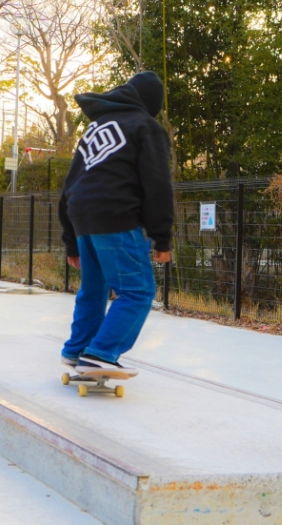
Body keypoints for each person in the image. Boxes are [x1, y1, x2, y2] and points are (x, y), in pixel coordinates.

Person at [58, 71, 174, 376]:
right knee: (138, 291)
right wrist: (162, 238)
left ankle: (77, 350)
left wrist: (71, 239)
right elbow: (157, 185)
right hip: (116, 218)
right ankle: (101, 353)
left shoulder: (95, 128)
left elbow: (70, 183)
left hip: (82, 218)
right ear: (151, 104)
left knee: (94, 290)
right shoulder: (145, 127)